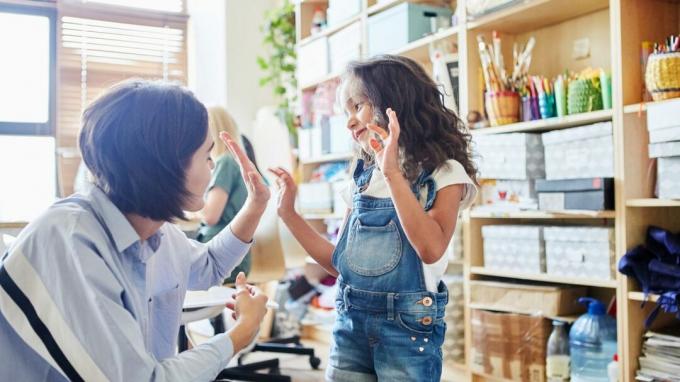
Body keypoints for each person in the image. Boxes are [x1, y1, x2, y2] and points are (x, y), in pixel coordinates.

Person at [0, 80, 271, 381]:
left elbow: (209, 266)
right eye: (207, 156)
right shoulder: (68, 238)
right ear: (166, 165)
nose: (211, 167)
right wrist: (240, 333)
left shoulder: (157, 233)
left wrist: (256, 204)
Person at [269, 55, 478, 381]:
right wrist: (289, 214)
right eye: (346, 112)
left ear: (395, 102)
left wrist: (392, 172)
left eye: (358, 106)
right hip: (350, 324)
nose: (350, 121)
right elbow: (341, 264)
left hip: (407, 333)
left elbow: (430, 248)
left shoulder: (444, 173)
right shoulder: (361, 177)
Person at [196, 107, 251, 283]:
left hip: (223, 253)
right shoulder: (234, 163)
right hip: (234, 252)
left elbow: (210, 216)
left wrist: (189, 210)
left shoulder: (225, 163)